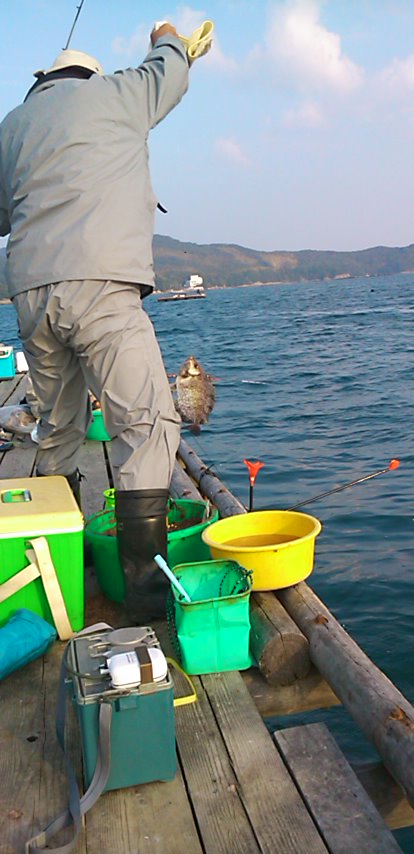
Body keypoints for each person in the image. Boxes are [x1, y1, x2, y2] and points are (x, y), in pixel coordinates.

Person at [0, 23, 189, 623]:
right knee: (146, 425)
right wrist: (169, 35)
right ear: (90, 74)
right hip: (102, 285)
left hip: (30, 294)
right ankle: (146, 599)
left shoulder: (11, 127)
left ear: (43, 82)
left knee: (59, 427)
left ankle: (60, 563)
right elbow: (172, 71)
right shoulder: (117, 92)